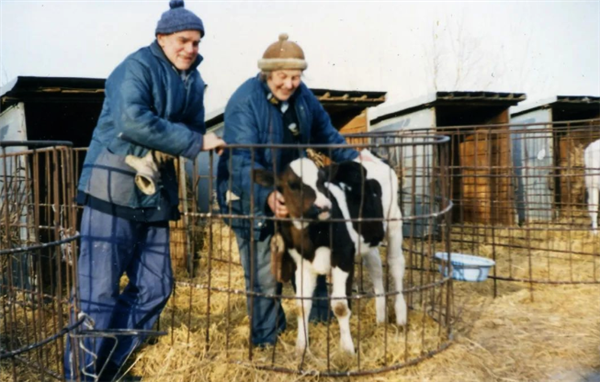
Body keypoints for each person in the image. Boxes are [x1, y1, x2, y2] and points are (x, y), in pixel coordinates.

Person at [65, 1, 225, 380]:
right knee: (98, 294)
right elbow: (132, 121)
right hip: (112, 188)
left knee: (156, 287)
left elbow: (192, 127)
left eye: (197, 42)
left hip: (153, 193)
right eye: (183, 40)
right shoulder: (135, 67)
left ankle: (109, 367)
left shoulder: (194, 81)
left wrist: (187, 140)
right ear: (161, 38)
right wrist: (191, 141)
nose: (191, 48)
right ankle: (81, 375)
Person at [216, 33, 359, 347]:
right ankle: (267, 343)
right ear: (267, 74)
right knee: (266, 273)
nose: (290, 84)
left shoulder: (303, 97)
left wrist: (356, 161)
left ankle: (318, 328)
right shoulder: (244, 102)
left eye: (296, 77)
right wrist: (265, 197)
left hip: (295, 194)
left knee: (312, 254)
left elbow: (326, 134)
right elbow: (241, 160)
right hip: (250, 192)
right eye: (282, 76)